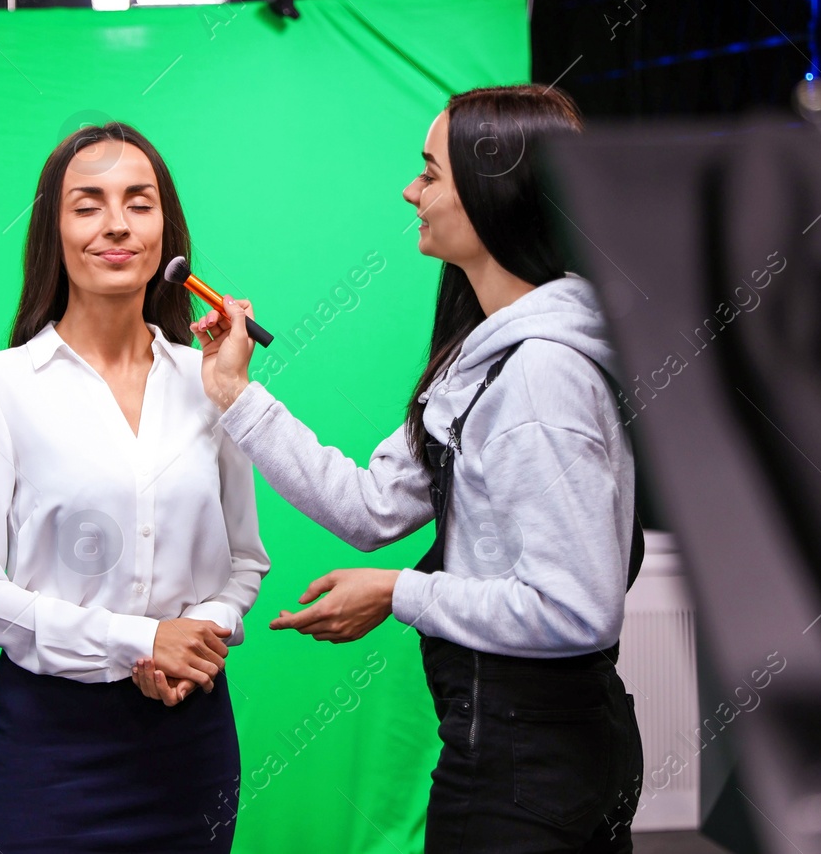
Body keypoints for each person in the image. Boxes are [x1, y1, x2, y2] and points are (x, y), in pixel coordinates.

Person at [190, 84, 644, 853]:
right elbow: (370, 510)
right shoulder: (485, 355)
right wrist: (235, 393)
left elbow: (576, 610)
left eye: (430, 172)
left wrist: (401, 591)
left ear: (494, 192)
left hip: (531, 763)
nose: (412, 190)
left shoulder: (541, 377)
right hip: (510, 749)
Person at [0, 121, 270, 852]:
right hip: (52, 746)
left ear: (167, 233)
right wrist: (142, 640)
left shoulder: (212, 381)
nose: (116, 224)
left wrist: (200, 640)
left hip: (194, 734)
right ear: (53, 230)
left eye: (138, 203)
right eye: (87, 205)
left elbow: (245, 560)